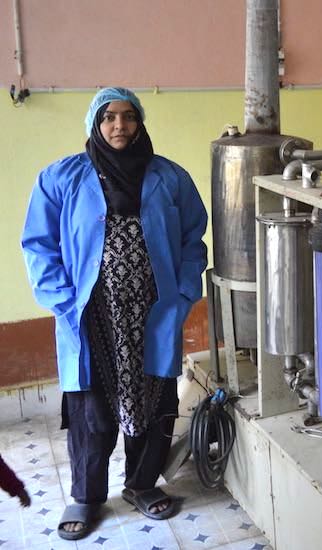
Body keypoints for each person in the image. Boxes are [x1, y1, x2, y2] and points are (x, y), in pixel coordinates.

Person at [21, 87, 208, 541]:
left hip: (153, 313)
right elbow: (38, 244)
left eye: (128, 117)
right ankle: (85, 496)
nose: (119, 126)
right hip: (91, 315)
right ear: (94, 124)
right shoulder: (61, 177)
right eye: (109, 118)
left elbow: (192, 240)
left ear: (140, 122)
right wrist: (63, 299)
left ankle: (143, 484)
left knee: (154, 398)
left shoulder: (169, 177)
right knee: (93, 410)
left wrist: (183, 293)